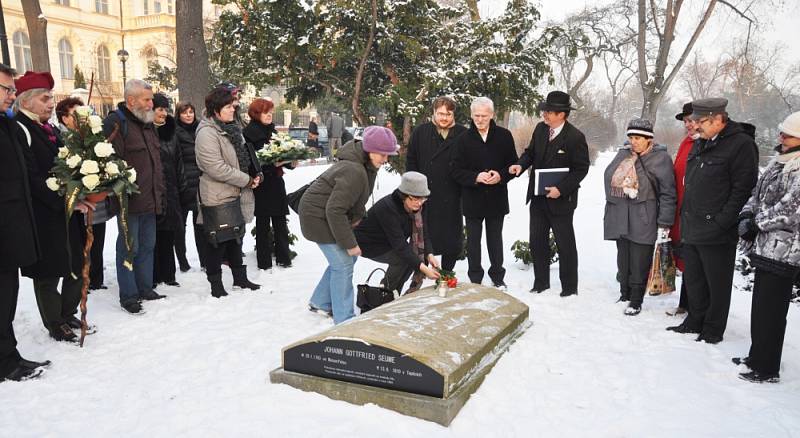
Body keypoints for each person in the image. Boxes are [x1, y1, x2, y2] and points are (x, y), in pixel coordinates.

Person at [666, 97, 758, 344]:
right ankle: (694, 320)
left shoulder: (741, 145)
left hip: (717, 230)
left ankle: (713, 329)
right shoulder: (702, 141)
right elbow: (692, 183)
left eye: (700, 121)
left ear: (719, 119)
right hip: (693, 224)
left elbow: (743, 190)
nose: (695, 126)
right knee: (694, 279)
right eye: (694, 121)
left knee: (716, 284)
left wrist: (721, 222)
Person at [14, 71, 94, 342]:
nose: (51, 103)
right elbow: (31, 176)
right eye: (45, 98)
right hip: (44, 214)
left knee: (74, 261)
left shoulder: (48, 128)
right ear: (25, 101)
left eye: (51, 97)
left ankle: (67, 311)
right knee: (49, 271)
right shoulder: (21, 129)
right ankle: (54, 321)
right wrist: (64, 199)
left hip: (65, 210)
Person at [300, 126, 397, 323]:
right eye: (382, 154)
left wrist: (356, 219)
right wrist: (350, 244)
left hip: (329, 215)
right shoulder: (354, 170)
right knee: (343, 264)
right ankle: (345, 319)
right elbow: (334, 210)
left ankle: (320, 302)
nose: (385, 159)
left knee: (344, 262)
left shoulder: (367, 164)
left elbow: (355, 199)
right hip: (317, 218)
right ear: (369, 149)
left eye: (388, 155)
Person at [733, 111, 800, 383]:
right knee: (760, 306)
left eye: (788, 134)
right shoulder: (779, 162)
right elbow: (756, 194)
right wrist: (746, 215)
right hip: (765, 248)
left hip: (785, 251)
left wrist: (757, 223)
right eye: (781, 132)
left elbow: (791, 209)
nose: (781, 137)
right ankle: (756, 354)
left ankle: (767, 367)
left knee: (772, 311)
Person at [509, 90, 590, 296]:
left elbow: (581, 169)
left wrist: (560, 189)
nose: (544, 114)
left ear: (562, 114)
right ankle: (541, 283)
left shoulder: (575, 137)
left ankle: (569, 288)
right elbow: (530, 153)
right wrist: (520, 165)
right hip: (537, 197)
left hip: (561, 200)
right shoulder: (540, 129)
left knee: (565, 244)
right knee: (537, 241)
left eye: (549, 112)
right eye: (544, 110)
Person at [0, 63, 51, 382]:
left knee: (7, 295)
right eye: (6, 89)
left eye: (12, 89)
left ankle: (9, 354)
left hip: (13, 226)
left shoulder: (5, 126)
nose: (12, 95)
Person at [102, 79, 166, 314]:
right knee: (130, 247)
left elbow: (154, 160)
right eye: (147, 99)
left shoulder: (147, 123)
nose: (152, 103)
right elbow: (109, 162)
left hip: (151, 197)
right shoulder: (116, 122)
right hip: (129, 199)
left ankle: (145, 287)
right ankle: (129, 295)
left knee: (148, 245)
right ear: (131, 101)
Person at [603, 119, 676, 315]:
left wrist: (665, 222)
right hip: (621, 214)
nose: (633, 142)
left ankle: (636, 300)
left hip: (645, 215)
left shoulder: (661, 159)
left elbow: (668, 193)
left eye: (638, 138)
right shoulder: (623, 154)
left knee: (640, 260)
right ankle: (624, 293)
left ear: (648, 139)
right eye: (631, 137)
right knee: (623, 258)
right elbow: (608, 176)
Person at [195, 87, 262, 297]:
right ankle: (216, 285)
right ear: (215, 110)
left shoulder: (231, 128)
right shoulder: (207, 133)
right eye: (228, 107)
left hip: (234, 190)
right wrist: (246, 180)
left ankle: (240, 278)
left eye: (233, 106)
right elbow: (215, 167)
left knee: (235, 236)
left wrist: (254, 174)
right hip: (216, 194)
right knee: (217, 240)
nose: (233, 110)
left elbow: (242, 157)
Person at [451, 97, 518, 288]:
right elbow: (455, 170)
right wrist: (476, 177)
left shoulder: (504, 136)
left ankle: (497, 276)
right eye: (476, 116)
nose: (479, 120)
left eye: (483, 116)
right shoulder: (462, 139)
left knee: (495, 239)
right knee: (473, 241)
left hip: (497, 198)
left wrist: (501, 175)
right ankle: (475, 277)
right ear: (471, 115)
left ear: (492, 115)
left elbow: (513, 164)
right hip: (472, 198)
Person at [56, 97, 114, 291]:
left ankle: (97, 278)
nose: (82, 118)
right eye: (76, 114)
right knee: (82, 244)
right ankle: (84, 279)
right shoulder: (62, 140)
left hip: (96, 198)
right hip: (79, 202)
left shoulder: (91, 136)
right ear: (65, 118)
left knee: (98, 240)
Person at [406, 96, 468, 271]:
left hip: (452, 196)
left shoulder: (463, 134)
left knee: (452, 241)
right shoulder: (421, 132)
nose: (444, 117)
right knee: (424, 237)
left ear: (453, 114)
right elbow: (411, 161)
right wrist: (412, 190)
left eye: (448, 114)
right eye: (440, 113)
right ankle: (421, 274)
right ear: (434, 112)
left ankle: (446, 274)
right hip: (425, 195)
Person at [355, 172, 441, 294]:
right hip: (368, 243)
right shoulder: (388, 208)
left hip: (390, 241)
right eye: (415, 198)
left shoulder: (420, 206)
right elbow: (400, 245)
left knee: (410, 261)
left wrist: (430, 254)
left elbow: (424, 233)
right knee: (402, 260)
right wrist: (423, 268)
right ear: (403, 196)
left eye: (423, 198)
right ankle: (385, 293)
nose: (419, 202)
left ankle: (394, 292)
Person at [244, 98, 294, 270]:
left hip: (277, 181)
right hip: (262, 183)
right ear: (257, 114)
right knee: (263, 223)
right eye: (266, 113)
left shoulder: (273, 131)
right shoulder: (250, 133)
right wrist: (272, 164)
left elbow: (283, 153)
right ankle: (264, 262)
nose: (269, 116)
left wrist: (291, 162)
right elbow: (251, 160)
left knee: (280, 221)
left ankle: (284, 258)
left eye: (271, 112)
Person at [666, 102, 699, 316]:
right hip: (680, 207)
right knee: (685, 257)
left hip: (696, 210)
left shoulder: (704, 143)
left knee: (694, 259)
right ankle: (685, 303)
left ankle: (695, 306)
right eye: (685, 121)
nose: (687, 125)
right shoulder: (686, 142)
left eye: (691, 120)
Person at [152, 93, 186, 288]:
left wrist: (182, 189)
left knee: (168, 234)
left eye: (165, 109)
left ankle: (169, 274)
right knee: (154, 235)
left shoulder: (171, 131)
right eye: (160, 109)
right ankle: (155, 275)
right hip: (154, 191)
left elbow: (178, 161)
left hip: (171, 189)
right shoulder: (146, 131)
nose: (164, 113)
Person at [174, 102, 203, 271]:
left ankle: (205, 260)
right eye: (185, 112)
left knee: (200, 224)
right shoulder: (174, 132)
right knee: (180, 226)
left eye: (191, 112)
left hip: (200, 183)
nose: (188, 115)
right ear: (178, 115)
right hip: (183, 184)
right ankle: (182, 259)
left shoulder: (200, 129)